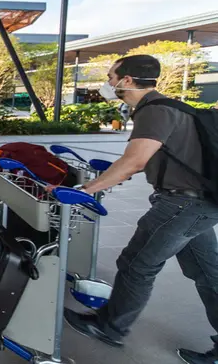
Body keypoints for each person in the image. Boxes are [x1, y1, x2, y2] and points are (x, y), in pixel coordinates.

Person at [63, 55, 218, 363]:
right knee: (207, 272)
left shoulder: (154, 111)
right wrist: (114, 173)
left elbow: (133, 162)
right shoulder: (171, 107)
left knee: (137, 265)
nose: (108, 83)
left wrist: (83, 190)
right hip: (201, 203)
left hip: (182, 204)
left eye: (111, 77)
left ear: (128, 80)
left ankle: (110, 328)